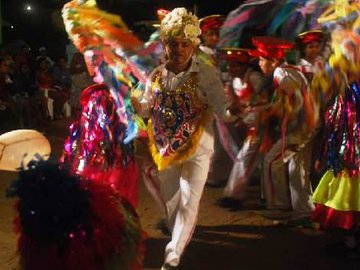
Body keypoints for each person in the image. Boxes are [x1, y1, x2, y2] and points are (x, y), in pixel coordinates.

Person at [131, 7, 227, 270]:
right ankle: (180, 238)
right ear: (166, 45)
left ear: (193, 45)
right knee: (172, 203)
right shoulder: (156, 76)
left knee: (189, 200)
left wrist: (234, 111)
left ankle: (172, 257)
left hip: (199, 148)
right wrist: (135, 103)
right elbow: (148, 110)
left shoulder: (206, 74)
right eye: (175, 44)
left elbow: (222, 107)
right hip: (166, 149)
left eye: (185, 44)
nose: (180, 49)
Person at [248, 36, 319, 222]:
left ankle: (280, 206)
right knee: (298, 169)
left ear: (273, 61)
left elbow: (295, 101)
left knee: (272, 161)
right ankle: (304, 211)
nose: (259, 63)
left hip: (299, 128)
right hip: (307, 126)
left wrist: (275, 112)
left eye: (262, 59)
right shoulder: (288, 70)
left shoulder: (281, 73)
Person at [216, 48, 266, 210]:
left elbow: (263, 103)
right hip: (250, 125)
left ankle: (234, 196)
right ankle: (235, 195)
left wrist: (251, 120)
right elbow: (235, 107)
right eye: (230, 65)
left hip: (261, 126)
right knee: (248, 159)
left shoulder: (254, 78)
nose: (232, 69)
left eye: (236, 65)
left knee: (245, 159)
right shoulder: (234, 82)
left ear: (245, 66)